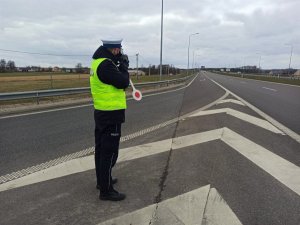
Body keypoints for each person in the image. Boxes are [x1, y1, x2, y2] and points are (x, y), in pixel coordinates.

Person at [90, 39, 129, 201]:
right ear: (113, 49)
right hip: (111, 114)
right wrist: (125, 67)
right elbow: (123, 82)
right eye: (118, 50)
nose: (120, 52)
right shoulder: (106, 65)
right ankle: (106, 191)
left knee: (101, 150)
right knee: (109, 152)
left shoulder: (98, 62)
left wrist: (118, 64)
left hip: (102, 112)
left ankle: (103, 182)